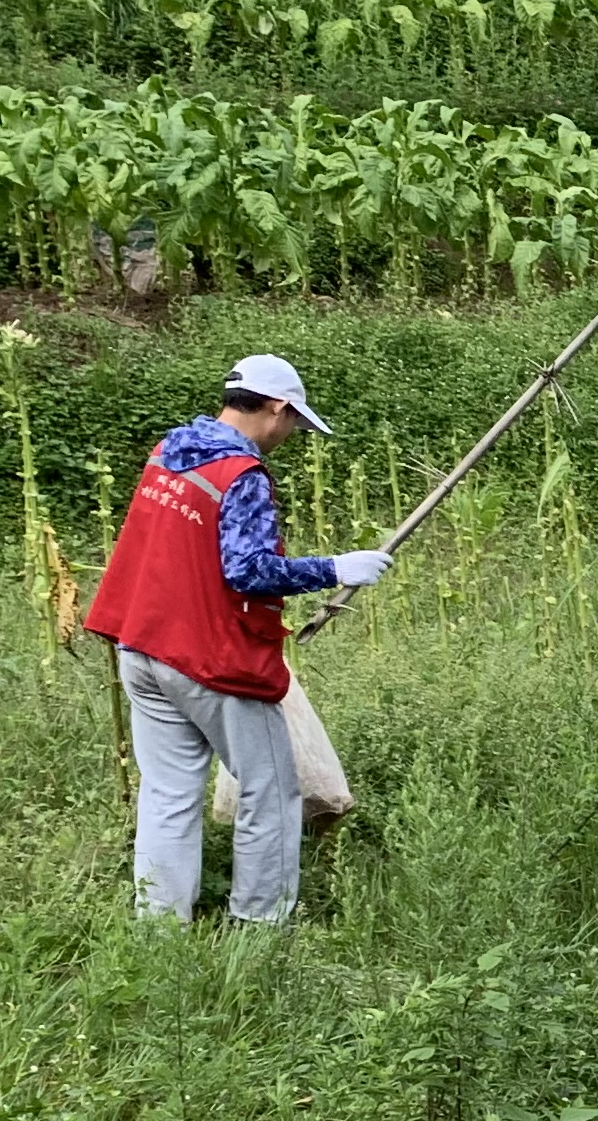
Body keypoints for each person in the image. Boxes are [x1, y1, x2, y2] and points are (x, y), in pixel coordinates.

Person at [80, 352, 390, 925]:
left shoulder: (169, 451)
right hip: (208, 659)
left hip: (142, 647)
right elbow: (249, 572)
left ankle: (159, 929)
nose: (290, 434)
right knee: (270, 792)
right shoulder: (241, 474)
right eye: (293, 421)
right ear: (275, 406)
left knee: (168, 795)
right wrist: (335, 568)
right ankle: (259, 926)